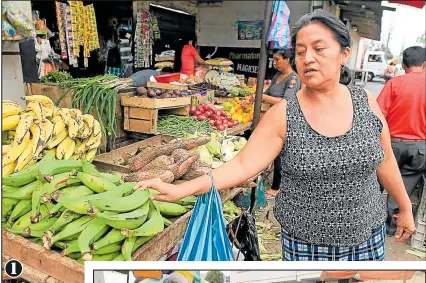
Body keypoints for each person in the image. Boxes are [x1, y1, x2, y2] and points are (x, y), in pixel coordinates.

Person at [135, 11, 415, 261]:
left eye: (319, 49)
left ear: (343, 53)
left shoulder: (366, 102)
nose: (308, 59)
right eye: (301, 51)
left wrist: (405, 207)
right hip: (307, 246)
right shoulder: (284, 114)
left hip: (367, 236)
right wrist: (182, 188)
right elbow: (242, 165)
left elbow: (385, 159)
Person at [377, 46, 426, 236]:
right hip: (420, 148)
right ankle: (390, 228)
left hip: (392, 144)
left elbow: (378, 115)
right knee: (402, 189)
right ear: (424, 64)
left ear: (403, 64)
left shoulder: (394, 84)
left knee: (377, 183)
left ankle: (368, 223)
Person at [262, 49, 301, 197]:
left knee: (279, 154)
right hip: (271, 118)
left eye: (278, 60)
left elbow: (286, 101)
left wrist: (262, 97)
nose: (275, 63)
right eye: (274, 60)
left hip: (284, 120)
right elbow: (267, 92)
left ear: (288, 60)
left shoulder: (293, 79)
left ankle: (276, 187)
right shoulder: (277, 76)